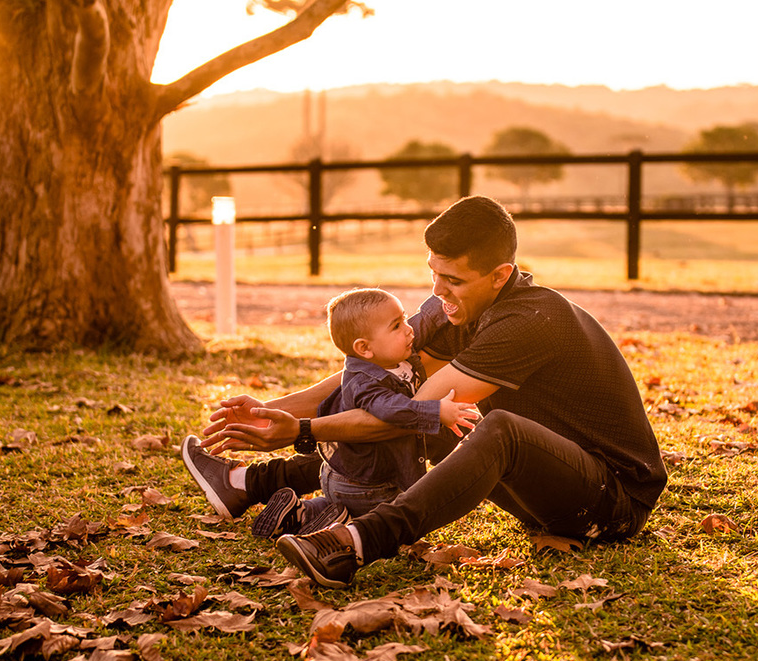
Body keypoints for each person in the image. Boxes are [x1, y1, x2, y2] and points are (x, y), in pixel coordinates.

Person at [181, 195, 667, 589]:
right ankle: (248, 485)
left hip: (610, 501)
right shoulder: (454, 307)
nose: (438, 291)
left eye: (453, 279)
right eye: (434, 273)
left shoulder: (529, 319)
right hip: (543, 486)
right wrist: (271, 413)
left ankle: (354, 544)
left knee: (487, 427)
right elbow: (374, 380)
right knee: (446, 419)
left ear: (500, 275)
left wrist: (304, 430)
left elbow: (405, 413)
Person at [247, 287, 479, 540]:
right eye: (396, 325)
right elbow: (391, 410)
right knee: (384, 520)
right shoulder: (365, 382)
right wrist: (436, 412)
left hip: (350, 476)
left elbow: (425, 321)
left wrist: (452, 297)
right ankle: (335, 525)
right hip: (366, 485)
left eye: (404, 318)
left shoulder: (392, 356)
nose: (409, 329)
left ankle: (301, 511)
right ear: (364, 348)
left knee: (340, 506)